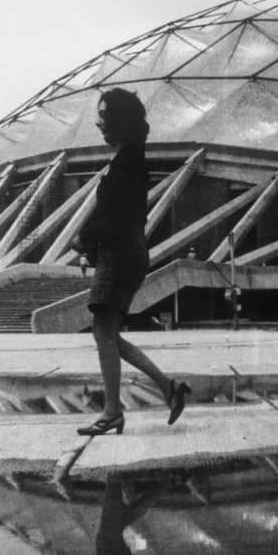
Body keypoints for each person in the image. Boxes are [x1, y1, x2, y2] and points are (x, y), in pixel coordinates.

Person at [75, 88, 188, 436]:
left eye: (106, 117)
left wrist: (83, 238)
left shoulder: (130, 159)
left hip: (121, 251)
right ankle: (168, 389)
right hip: (123, 250)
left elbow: (114, 213)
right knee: (105, 331)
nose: (101, 124)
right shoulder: (128, 156)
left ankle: (113, 411)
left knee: (103, 330)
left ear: (122, 120)